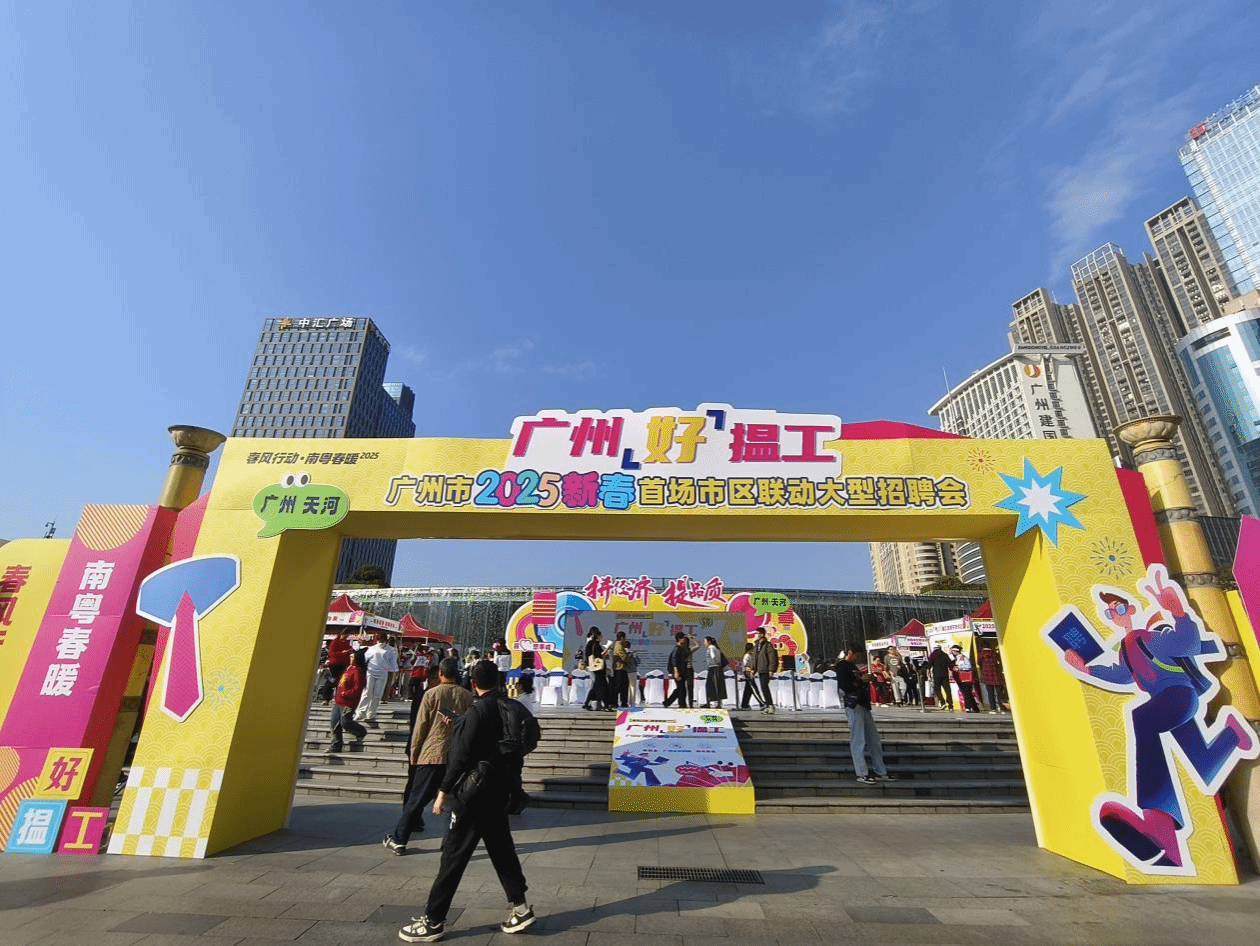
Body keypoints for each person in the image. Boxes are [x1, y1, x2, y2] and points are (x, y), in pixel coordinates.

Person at [399, 660, 536, 942]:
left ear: (473, 683)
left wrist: (442, 792)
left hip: (473, 795)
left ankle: (433, 920)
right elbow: (530, 737)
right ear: (498, 681)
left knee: (453, 855)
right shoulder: (511, 707)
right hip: (500, 790)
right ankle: (521, 908)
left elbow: (460, 757)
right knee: (501, 850)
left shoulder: (477, 711)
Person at [384, 657, 474, 856]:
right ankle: (449, 841)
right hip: (456, 756)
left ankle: (400, 839)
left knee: (416, 799)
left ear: (440, 674)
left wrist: (414, 752)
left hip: (432, 753)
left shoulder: (431, 694)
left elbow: (421, 726)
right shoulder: (467, 696)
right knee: (454, 802)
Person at [835, 648, 896, 784]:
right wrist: (860, 680)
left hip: (862, 703)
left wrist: (866, 679)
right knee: (858, 739)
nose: (857, 658)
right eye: (856, 655)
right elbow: (844, 686)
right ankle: (861, 773)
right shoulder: (842, 666)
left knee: (873, 740)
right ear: (850, 653)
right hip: (853, 703)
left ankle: (880, 771)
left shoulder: (853, 667)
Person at [328, 649, 368, 752]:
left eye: (352, 657)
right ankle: (335, 746)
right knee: (334, 724)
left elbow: (357, 689)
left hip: (348, 702)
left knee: (345, 722)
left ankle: (361, 731)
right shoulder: (348, 669)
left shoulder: (357, 671)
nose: (350, 658)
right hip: (338, 701)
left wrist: (345, 694)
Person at [355, 632, 399, 724]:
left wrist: (395, 671)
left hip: (382, 673)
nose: (381, 640)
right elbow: (365, 659)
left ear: (386, 640)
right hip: (370, 672)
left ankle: (371, 714)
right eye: (380, 638)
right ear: (377, 639)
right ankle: (360, 713)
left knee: (377, 695)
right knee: (367, 693)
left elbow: (393, 661)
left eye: (383, 638)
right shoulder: (372, 648)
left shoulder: (390, 650)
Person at [582, 628, 612, 711]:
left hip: (597, 669)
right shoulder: (594, 644)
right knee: (602, 686)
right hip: (597, 669)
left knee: (596, 686)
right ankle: (606, 705)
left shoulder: (592, 644)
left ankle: (587, 703)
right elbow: (599, 655)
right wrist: (607, 649)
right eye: (600, 635)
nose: (602, 637)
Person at [662, 632, 694, 708]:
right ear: (679, 639)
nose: (684, 639)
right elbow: (674, 661)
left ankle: (671, 703)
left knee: (681, 689)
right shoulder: (676, 649)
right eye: (683, 638)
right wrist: (676, 671)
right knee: (681, 689)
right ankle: (680, 704)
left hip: (682, 671)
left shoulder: (682, 648)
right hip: (678, 671)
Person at [751, 627, 777, 715]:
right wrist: (753, 669)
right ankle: (768, 705)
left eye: (757, 633)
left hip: (765, 669)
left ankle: (770, 706)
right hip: (760, 669)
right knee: (763, 688)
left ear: (762, 634)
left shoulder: (767, 645)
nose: (756, 635)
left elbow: (772, 658)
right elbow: (755, 658)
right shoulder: (756, 645)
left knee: (765, 687)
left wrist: (771, 669)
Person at [950, 644, 980, 712]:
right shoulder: (956, 658)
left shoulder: (963, 657)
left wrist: (959, 668)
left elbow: (968, 666)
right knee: (967, 692)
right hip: (959, 677)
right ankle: (975, 707)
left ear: (956, 651)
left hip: (965, 677)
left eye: (953, 651)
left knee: (966, 692)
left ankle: (968, 707)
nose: (952, 653)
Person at [700, 636, 727, 709]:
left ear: (709, 641)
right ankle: (718, 704)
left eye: (705, 641)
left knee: (710, 686)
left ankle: (708, 703)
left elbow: (713, 656)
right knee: (718, 685)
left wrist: (712, 662)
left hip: (713, 668)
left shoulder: (711, 648)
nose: (704, 643)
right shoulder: (716, 648)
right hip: (718, 668)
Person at [978, 645, 1007, 713]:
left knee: (990, 693)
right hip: (996, 675)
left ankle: (993, 708)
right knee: (999, 692)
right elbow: (1000, 662)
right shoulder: (994, 653)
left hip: (987, 676)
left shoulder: (981, 654)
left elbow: (979, 663)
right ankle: (1001, 706)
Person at [927, 643, 955, 711]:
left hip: (936, 675)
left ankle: (942, 702)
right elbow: (950, 664)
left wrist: (928, 674)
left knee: (937, 689)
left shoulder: (933, 655)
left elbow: (929, 665)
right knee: (947, 690)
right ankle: (950, 705)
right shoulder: (945, 655)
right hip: (945, 674)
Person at [610, 631, 631, 708]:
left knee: (621, 686)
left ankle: (620, 702)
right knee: (620, 686)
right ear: (622, 638)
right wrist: (628, 655)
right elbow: (624, 658)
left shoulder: (618, 644)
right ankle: (617, 702)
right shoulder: (619, 645)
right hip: (619, 668)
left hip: (620, 668)